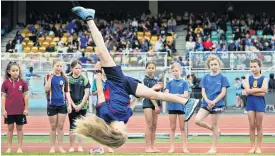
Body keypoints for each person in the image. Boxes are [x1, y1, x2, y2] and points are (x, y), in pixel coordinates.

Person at [71, 6, 199, 149]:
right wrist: (148, 91)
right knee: (157, 94)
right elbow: (134, 102)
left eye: (124, 133)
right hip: (129, 87)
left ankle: (89, 18)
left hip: (116, 81)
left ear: (115, 131)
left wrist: (98, 73)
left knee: (101, 51)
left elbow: (100, 92)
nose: (126, 131)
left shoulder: (104, 115)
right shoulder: (124, 119)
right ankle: (187, 101)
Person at [194, 55, 230, 154]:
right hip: (206, 103)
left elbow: (223, 92)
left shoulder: (223, 78)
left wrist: (213, 101)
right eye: (211, 65)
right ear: (209, 66)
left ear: (219, 65)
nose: (213, 66)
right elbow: (203, 92)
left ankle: (213, 148)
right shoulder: (205, 77)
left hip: (217, 104)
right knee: (197, 120)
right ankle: (212, 129)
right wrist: (208, 101)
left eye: (215, 64)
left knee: (215, 124)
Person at [44, 59, 72, 153]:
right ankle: (52, 147)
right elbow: (47, 89)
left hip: (62, 105)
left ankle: (60, 147)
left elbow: (67, 92)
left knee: (60, 126)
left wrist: (69, 105)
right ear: (53, 66)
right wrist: (50, 78)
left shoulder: (65, 78)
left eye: (61, 66)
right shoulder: (48, 76)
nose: (59, 68)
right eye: (57, 66)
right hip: (51, 104)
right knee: (53, 126)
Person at [1, 61, 29, 153]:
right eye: (13, 70)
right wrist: (4, 110)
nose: (15, 72)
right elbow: (3, 96)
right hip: (9, 111)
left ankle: (19, 148)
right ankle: (9, 148)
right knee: (10, 129)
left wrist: (26, 108)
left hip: (20, 110)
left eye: (17, 70)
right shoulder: (5, 83)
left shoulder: (23, 82)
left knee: (20, 129)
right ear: (9, 71)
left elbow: (25, 96)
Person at [244, 59, 268, 154]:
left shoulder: (264, 78)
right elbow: (247, 90)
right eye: (251, 67)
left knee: (259, 125)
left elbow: (264, 92)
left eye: (255, 66)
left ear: (260, 67)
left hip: (260, 103)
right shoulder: (248, 78)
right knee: (251, 125)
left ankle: (259, 147)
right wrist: (257, 90)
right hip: (250, 103)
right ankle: (252, 146)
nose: (253, 69)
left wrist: (251, 91)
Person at [165, 63, 189, 153]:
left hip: (181, 107)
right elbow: (166, 94)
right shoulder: (169, 83)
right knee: (172, 127)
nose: (175, 72)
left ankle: (184, 147)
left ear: (180, 71)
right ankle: (171, 147)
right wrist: (174, 96)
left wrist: (177, 95)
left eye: (176, 70)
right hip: (172, 107)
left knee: (183, 128)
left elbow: (186, 95)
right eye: (173, 71)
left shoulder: (184, 82)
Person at [67, 60, 90, 152]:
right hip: (71, 105)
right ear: (72, 68)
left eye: (80, 68)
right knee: (72, 126)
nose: (78, 70)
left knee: (81, 127)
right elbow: (67, 92)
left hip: (82, 106)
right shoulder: (68, 79)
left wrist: (81, 105)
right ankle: (71, 146)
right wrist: (72, 104)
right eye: (76, 68)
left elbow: (86, 93)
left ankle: (80, 146)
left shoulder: (84, 78)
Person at [142, 61, 162, 153]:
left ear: (155, 69)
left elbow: (158, 94)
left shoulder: (157, 80)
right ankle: (147, 147)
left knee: (154, 126)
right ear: (146, 69)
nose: (151, 69)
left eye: (152, 68)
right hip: (148, 104)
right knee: (149, 125)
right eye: (149, 67)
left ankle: (153, 146)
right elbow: (149, 94)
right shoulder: (145, 80)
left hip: (156, 104)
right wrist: (155, 105)